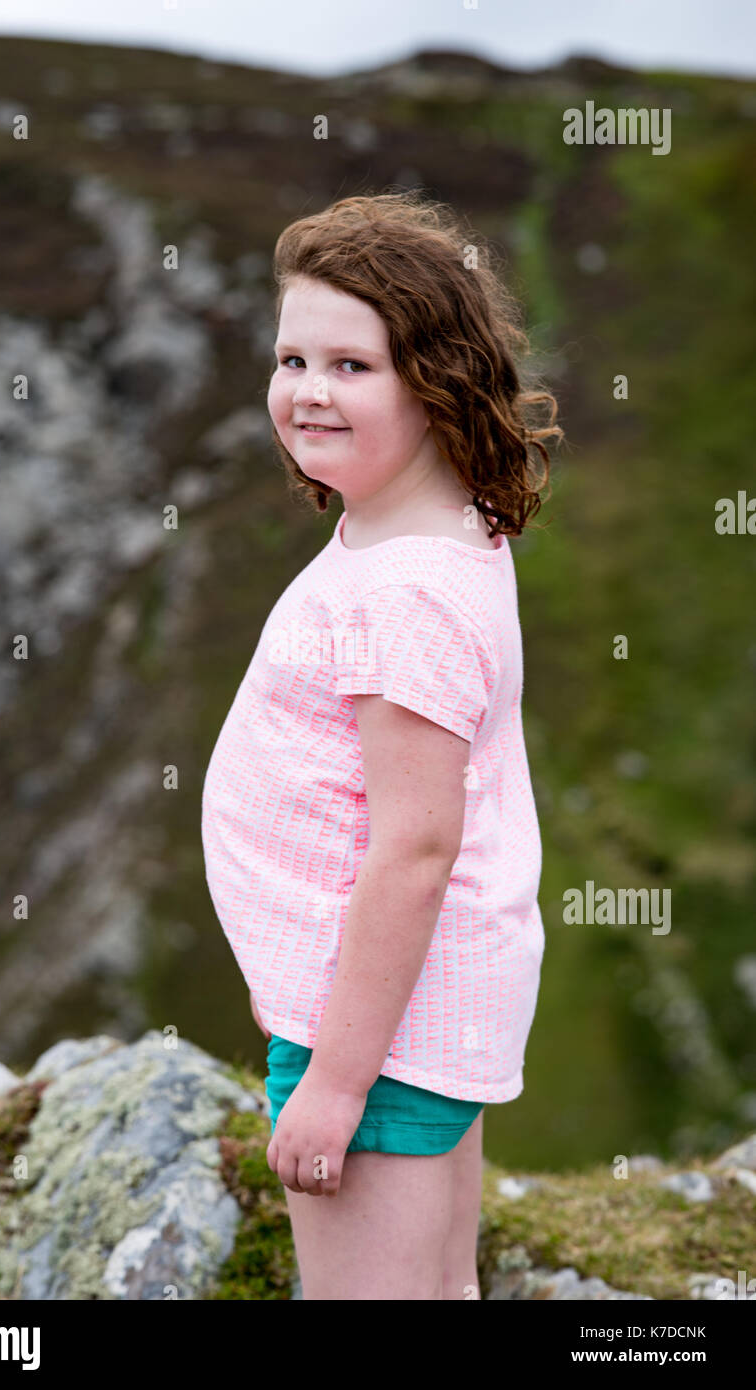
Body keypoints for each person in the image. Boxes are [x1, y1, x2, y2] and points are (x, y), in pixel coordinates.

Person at [201, 190, 563, 1300]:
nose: (308, 391)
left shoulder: (410, 591)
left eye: (352, 366)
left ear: (435, 380)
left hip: (378, 1037)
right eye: (292, 357)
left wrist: (335, 1085)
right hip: (412, 1011)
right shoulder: (428, 523)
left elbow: (414, 853)